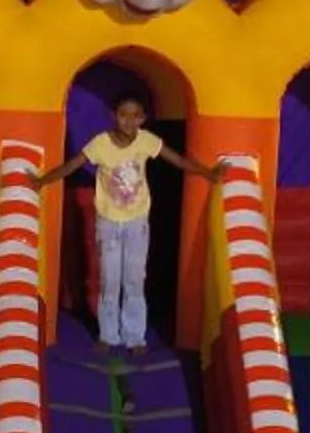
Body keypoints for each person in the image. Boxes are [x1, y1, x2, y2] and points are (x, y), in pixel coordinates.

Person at [31, 96, 217, 353]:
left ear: (142, 118)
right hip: (108, 222)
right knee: (110, 279)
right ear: (113, 115)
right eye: (123, 114)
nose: (129, 121)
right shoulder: (100, 143)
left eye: (135, 115)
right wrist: (41, 181)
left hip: (136, 221)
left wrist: (208, 173)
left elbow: (178, 160)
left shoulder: (146, 141)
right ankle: (108, 335)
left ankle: (134, 336)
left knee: (134, 280)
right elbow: (72, 165)